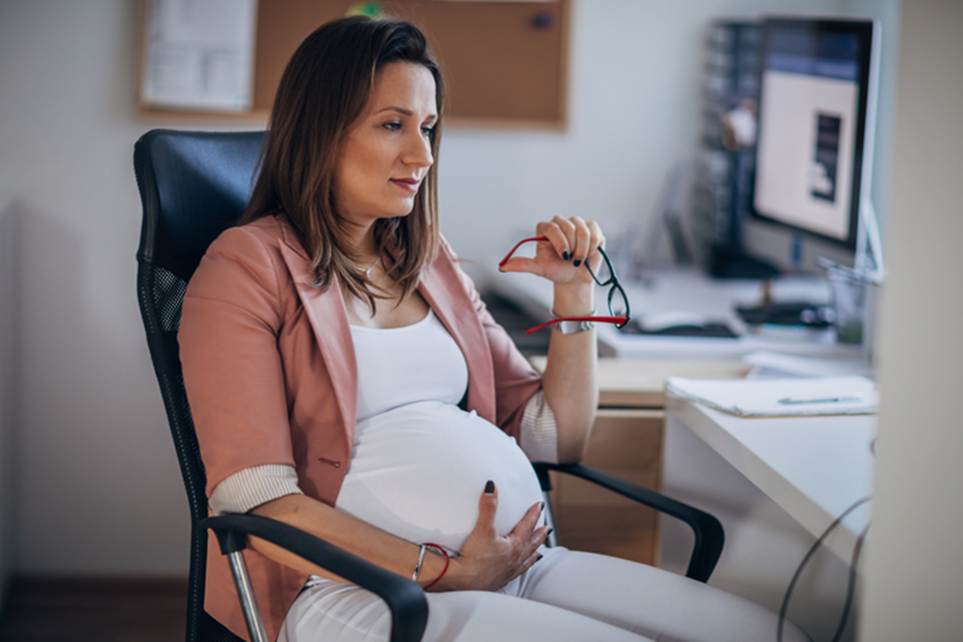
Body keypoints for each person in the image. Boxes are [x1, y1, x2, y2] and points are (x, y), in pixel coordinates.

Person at [178, 16, 809, 642]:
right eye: (392, 124)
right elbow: (256, 498)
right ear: (320, 131)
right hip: (356, 591)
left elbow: (554, 437)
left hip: (516, 567)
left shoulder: (425, 259)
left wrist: (574, 296)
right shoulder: (247, 266)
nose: (423, 155)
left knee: (770, 634)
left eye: (428, 127)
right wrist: (443, 570)